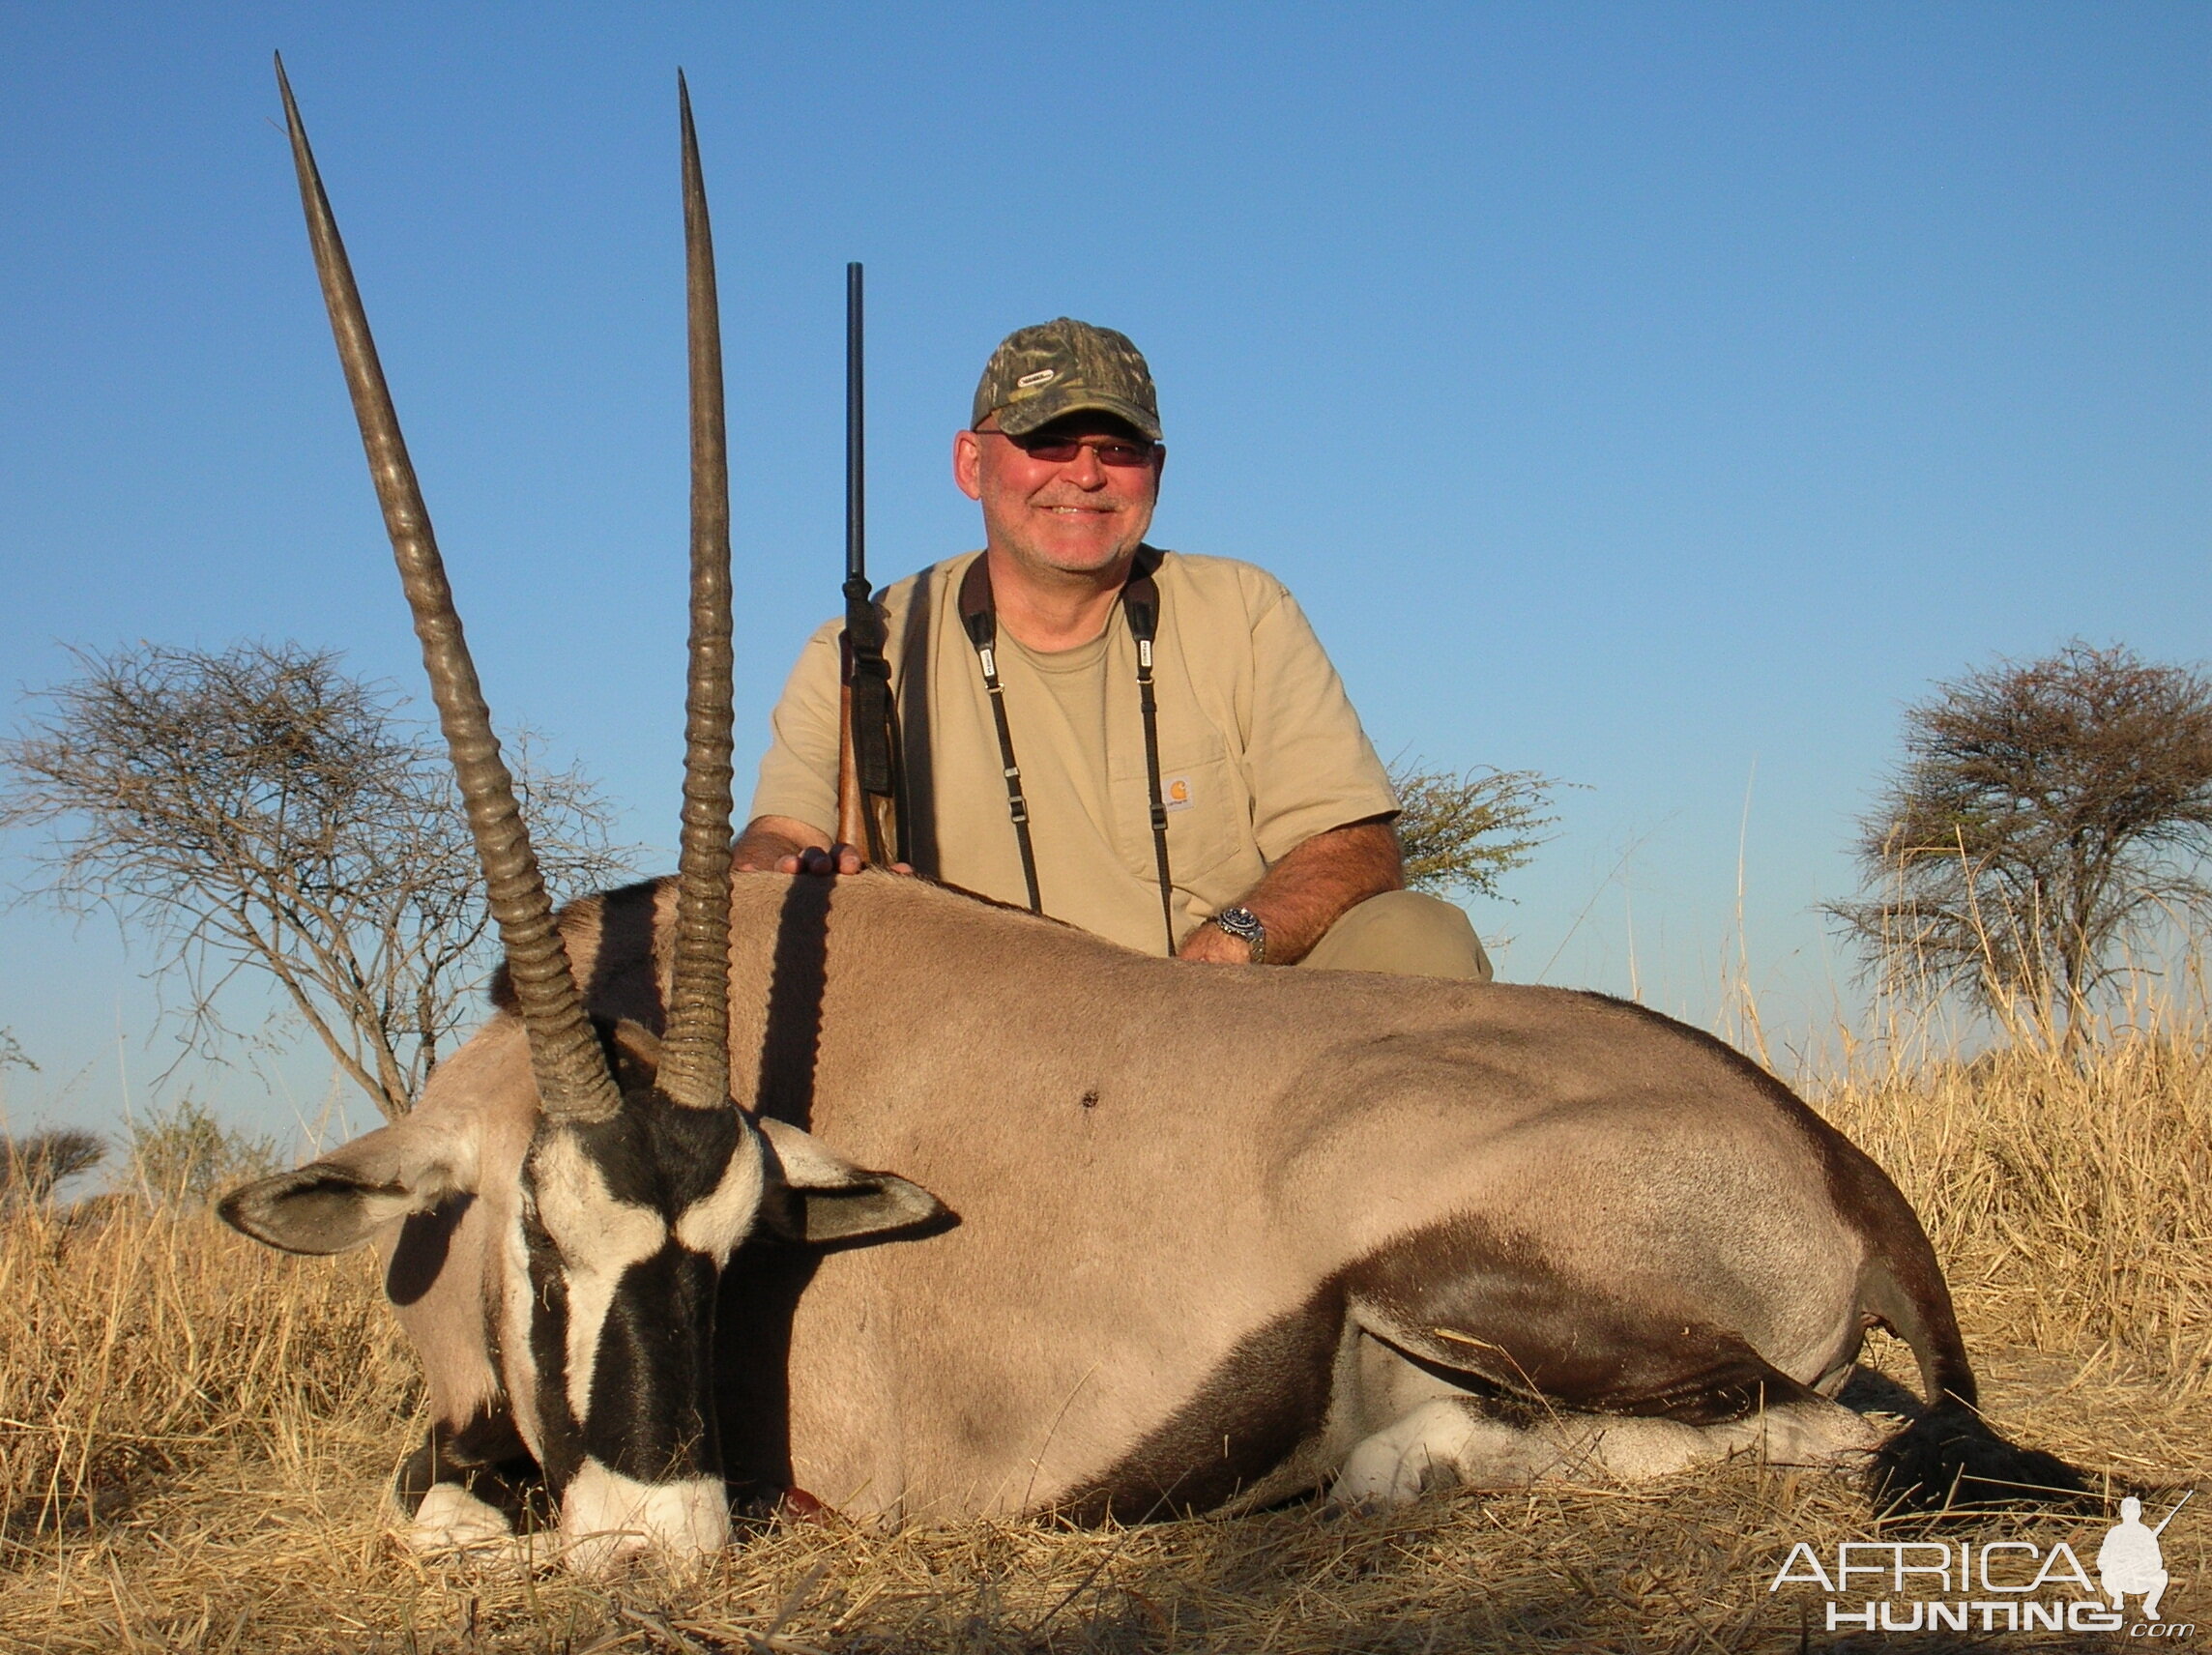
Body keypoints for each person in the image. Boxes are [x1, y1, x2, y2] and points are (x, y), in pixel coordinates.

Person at [734, 317, 1491, 979]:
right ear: (972, 463)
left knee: (1420, 936)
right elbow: (777, 838)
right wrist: (779, 873)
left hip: (1218, 1020)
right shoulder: (867, 647)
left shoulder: (1245, 609)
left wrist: (1231, 943)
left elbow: (1353, 847)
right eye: (1046, 441)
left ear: (1155, 471)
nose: (1087, 474)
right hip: (978, 1044)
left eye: (1119, 447)